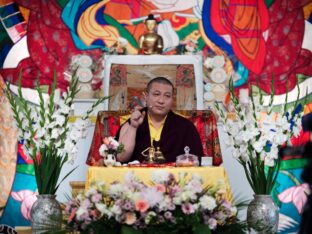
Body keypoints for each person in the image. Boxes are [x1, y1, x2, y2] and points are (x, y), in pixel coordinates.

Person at [116, 77, 203, 163]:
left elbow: (195, 163)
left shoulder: (185, 127)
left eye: (167, 96)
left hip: (173, 176)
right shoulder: (132, 122)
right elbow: (121, 158)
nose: (161, 101)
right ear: (146, 96)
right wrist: (133, 127)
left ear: (172, 100)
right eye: (156, 94)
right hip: (137, 176)